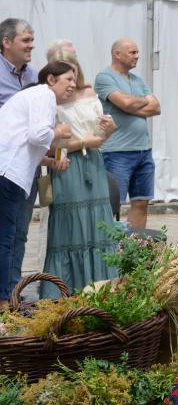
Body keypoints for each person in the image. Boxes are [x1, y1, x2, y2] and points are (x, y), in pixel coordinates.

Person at [42, 54, 118, 297]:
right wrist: (82, 142)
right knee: (67, 228)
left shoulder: (89, 93)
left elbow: (98, 139)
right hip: (65, 166)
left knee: (98, 225)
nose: (72, 82)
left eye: (74, 74)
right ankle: (66, 290)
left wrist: (107, 133)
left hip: (92, 163)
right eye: (67, 77)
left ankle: (100, 286)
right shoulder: (46, 102)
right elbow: (49, 149)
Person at [0, 62, 77, 299]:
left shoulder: (34, 96)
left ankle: (5, 297)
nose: (73, 85)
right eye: (68, 79)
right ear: (51, 80)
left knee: (7, 238)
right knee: (6, 240)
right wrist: (60, 132)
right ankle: (4, 302)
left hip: (8, 171)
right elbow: (38, 135)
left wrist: (51, 162)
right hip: (8, 175)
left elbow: (25, 144)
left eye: (75, 80)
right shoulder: (44, 96)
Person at [95, 39, 161, 229]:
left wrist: (130, 105)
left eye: (137, 52)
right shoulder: (104, 78)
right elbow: (125, 103)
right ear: (117, 54)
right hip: (117, 152)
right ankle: (110, 251)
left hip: (144, 151)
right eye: (132, 52)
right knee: (113, 204)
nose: (137, 56)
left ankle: (133, 249)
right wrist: (137, 103)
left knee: (141, 202)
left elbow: (156, 108)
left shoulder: (138, 80)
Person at [0, 18, 39, 289]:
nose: (31, 45)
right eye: (25, 40)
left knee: (20, 232)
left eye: (31, 40)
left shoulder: (34, 75)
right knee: (4, 233)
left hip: (28, 167)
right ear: (6, 42)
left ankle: (12, 290)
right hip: (4, 167)